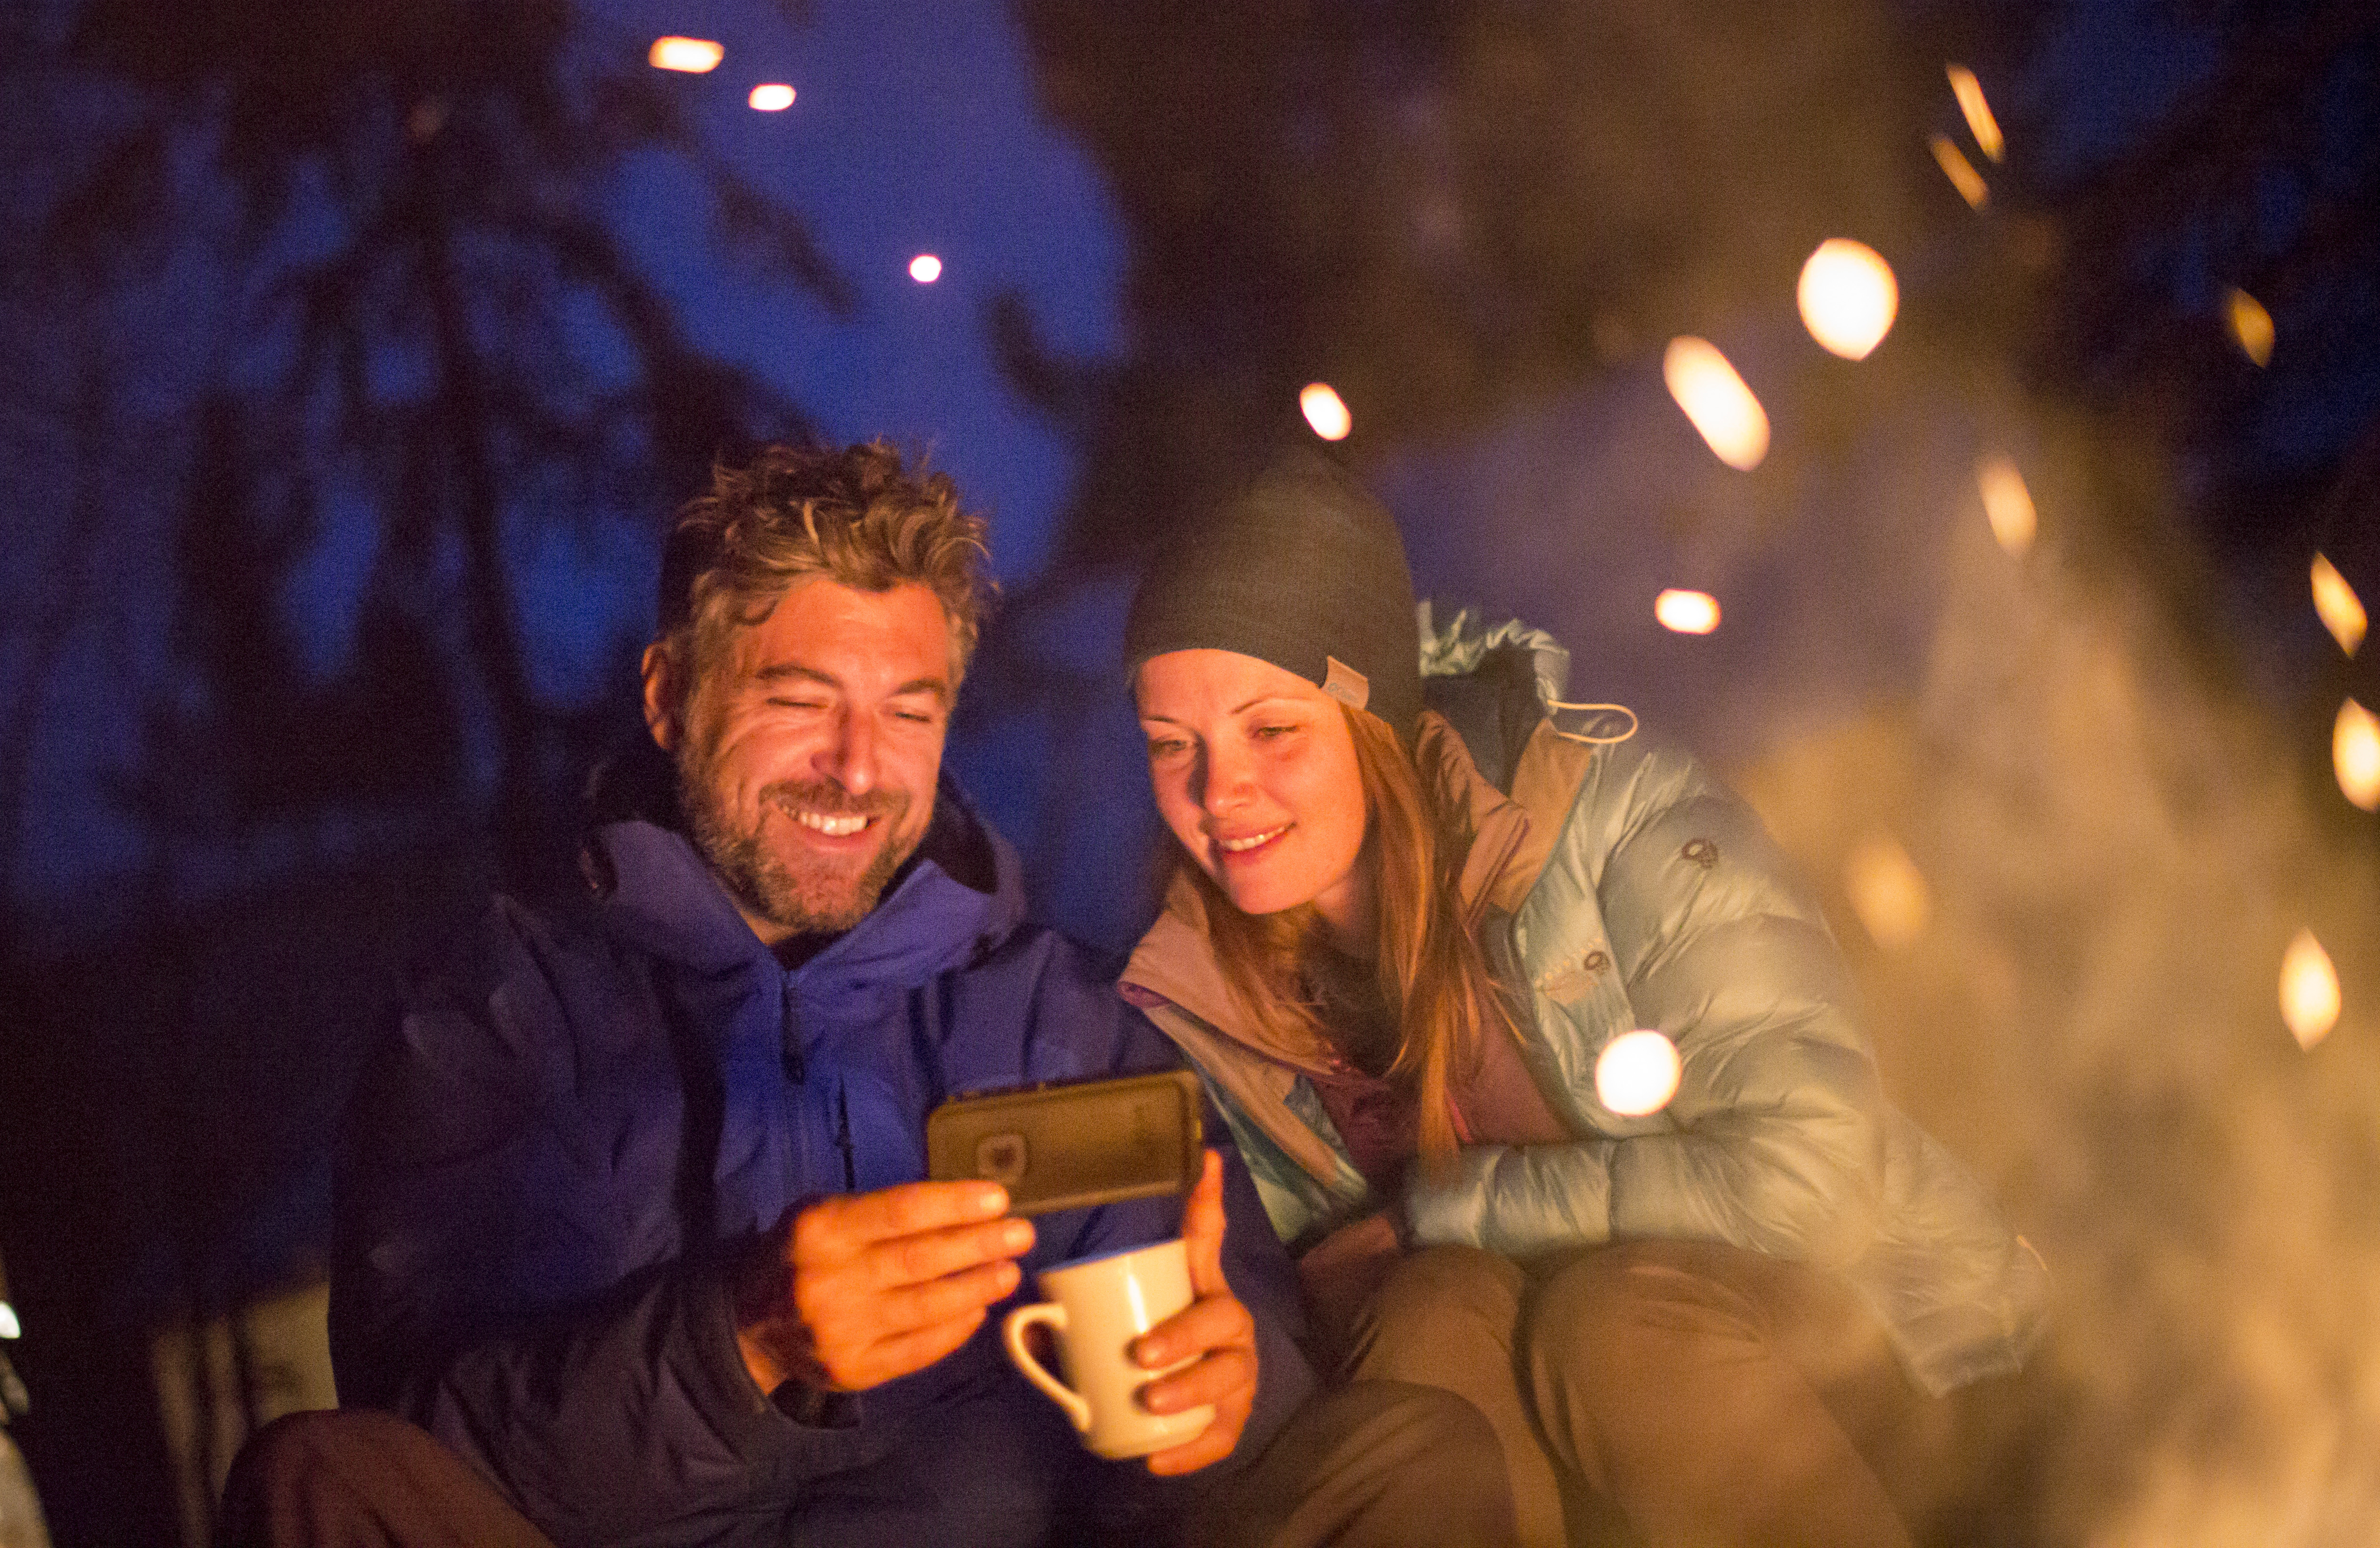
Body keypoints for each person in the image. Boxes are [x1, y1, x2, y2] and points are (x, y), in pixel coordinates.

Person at [218, 441, 1510, 1548]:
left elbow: (1209, 1400)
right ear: (671, 697)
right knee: (322, 1478)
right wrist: (745, 1345)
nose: (856, 769)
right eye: (800, 700)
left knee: (1400, 1456)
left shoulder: (1060, 1031)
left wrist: (1237, 1395)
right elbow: (435, 1426)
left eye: (908, 710)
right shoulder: (502, 1025)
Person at [1116, 448, 2049, 1548]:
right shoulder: (1213, 994)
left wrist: (1442, 1206)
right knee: (1426, 1322)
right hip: (1552, 1430)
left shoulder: (1610, 818)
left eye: (1271, 730)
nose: (1217, 792)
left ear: (1373, 716)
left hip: (1858, 1352)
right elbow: (1319, 1291)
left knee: (1607, 1324)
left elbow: (1813, 1173)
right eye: (1172, 745)